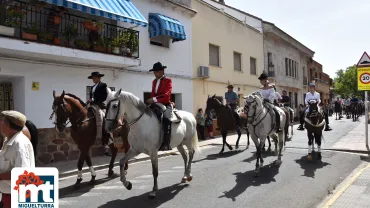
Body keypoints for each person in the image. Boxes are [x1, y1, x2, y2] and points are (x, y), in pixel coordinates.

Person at [0, 111, 35, 208]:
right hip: (7, 195)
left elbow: (22, 175)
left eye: (2, 121)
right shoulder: (9, 140)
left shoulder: (20, 144)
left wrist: (0, 176)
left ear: (8, 125)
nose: (0, 123)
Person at [147, 62, 173, 151]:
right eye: (154, 72)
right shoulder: (154, 81)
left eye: (156, 72)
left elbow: (166, 95)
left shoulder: (168, 80)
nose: (155, 73)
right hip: (156, 104)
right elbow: (153, 94)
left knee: (166, 119)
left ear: (162, 71)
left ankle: (166, 143)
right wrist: (152, 101)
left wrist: (153, 99)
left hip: (165, 104)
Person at [87, 72, 111, 154]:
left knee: (100, 117)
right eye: (93, 78)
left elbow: (103, 97)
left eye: (95, 78)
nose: (94, 79)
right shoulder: (92, 87)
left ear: (99, 78)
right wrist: (89, 101)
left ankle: (105, 138)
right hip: (93, 105)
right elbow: (91, 97)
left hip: (100, 106)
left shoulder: (103, 85)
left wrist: (93, 100)